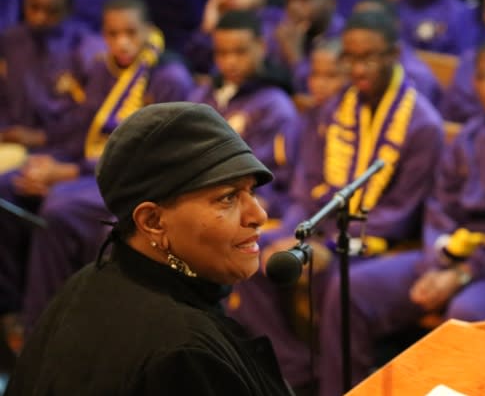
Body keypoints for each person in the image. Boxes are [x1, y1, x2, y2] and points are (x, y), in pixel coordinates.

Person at [318, 34, 485, 395]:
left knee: (466, 315)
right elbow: (439, 208)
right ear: (476, 83)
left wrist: (463, 273)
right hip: (451, 258)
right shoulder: (470, 136)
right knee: (351, 289)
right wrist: (438, 261)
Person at [5, 102, 292, 395]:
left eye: (252, 191)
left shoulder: (85, 285)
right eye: (228, 198)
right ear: (152, 221)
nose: (258, 215)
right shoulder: (184, 355)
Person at [226, 10, 444, 390]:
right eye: (351, 58)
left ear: (393, 55)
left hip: (381, 242)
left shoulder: (421, 124)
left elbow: (398, 215)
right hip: (325, 229)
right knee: (248, 256)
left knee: (338, 283)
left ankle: (344, 386)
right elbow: (307, 185)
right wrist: (296, 232)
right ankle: (293, 373)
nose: (358, 68)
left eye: (369, 57)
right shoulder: (333, 108)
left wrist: (328, 246)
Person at [3, 0, 193, 332]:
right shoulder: (102, 69)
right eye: (112, 33)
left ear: (149, 31)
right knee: (7, 187)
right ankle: (10, 308)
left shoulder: (168, 76)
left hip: (135, 181)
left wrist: (68, 172)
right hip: (86, 168)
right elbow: (80, 132)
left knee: (58, 208)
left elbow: (150, 155)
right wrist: (49, 159)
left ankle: (49, 325)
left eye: (130, 32)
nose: (121, 42)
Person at [189, 10, 299, 221]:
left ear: (262, 46)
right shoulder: (202, 94)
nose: (230, 62)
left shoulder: (275, 105)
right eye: (222, 53)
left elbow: (268, 173)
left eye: (240, 52)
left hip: (254, 200)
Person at [0, 0, 104, 163]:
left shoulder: (86, 50)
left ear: (69, 10)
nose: (39, 17)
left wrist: (43, 137)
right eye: (34, 7)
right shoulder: (11, 41)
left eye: (51, 11)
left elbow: (90, 117)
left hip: (63, 150)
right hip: (11, 140)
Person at [266, 0, 344, 93]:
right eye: (289, 0)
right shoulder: (285, 34)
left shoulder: (343, 38)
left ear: (331, 1)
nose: (294, 7)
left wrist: (295, 57)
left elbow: (315, 93)